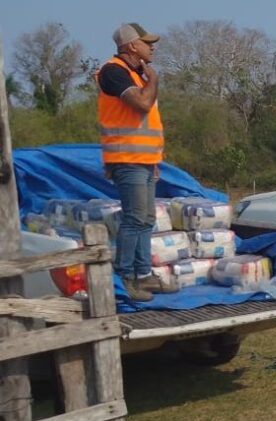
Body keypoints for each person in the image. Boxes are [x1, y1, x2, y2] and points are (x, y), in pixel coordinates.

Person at [97, 23, 167, 302]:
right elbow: (140, 105)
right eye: (146, 43)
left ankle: (143, 274)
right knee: (135, 219)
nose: (152, 47)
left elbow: (145, 122)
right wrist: (154, 81)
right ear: (130, 47)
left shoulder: (137, 75)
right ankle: (125, 278)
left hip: (145, 160)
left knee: (146, 219)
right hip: (127, 159)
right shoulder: (113, 72)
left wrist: (155, 160)